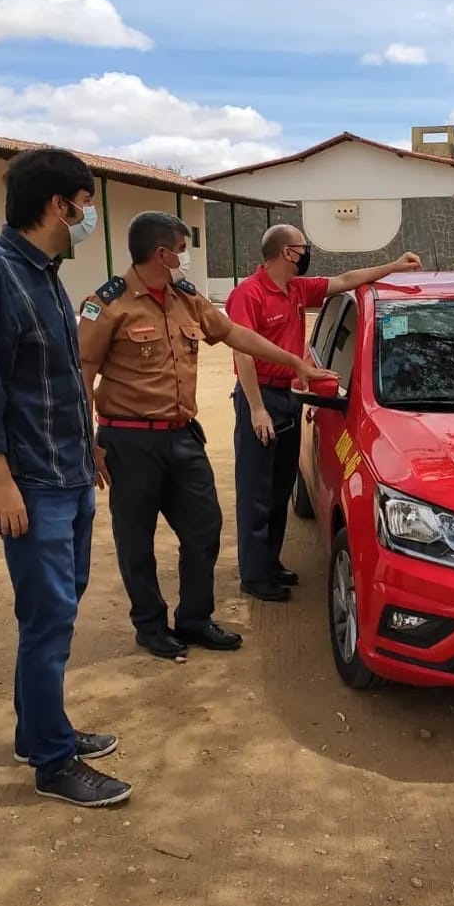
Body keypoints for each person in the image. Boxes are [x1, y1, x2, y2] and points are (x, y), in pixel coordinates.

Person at [0, 148, 130, 808]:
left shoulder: (45, 275)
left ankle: (38, 730)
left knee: (58, 608)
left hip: (69, 474)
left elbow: (60, 384)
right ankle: (53, 764)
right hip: (31, 483)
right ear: (61, 204)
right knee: (49, 617)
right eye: (86, 204)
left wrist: (91, 452)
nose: (89, 217)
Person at [76, 213, 334, 660]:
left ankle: (195, 618)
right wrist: (85, 440)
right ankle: (151, 626)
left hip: (181, 436)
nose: (185, 256)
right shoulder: (106, 305)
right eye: (182, 247)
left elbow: (236, 335)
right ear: (163, 254)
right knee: (136, 539)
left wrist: (295, 364)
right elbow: (82, 373)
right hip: (129, 439)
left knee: (204, 529)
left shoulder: (186, 298)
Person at [226, 225, 421, 601]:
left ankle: (269, 562)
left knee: (280, 487)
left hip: (289, 396)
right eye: (303, 247)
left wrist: (393, 266)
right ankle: (254, 575)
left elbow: (346, 280)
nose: (307, 252)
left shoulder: (297, 288)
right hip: (260, 397)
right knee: (256, 492)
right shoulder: (247, 294)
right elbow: (243, 354)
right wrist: (256, 409)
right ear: (287, 252)